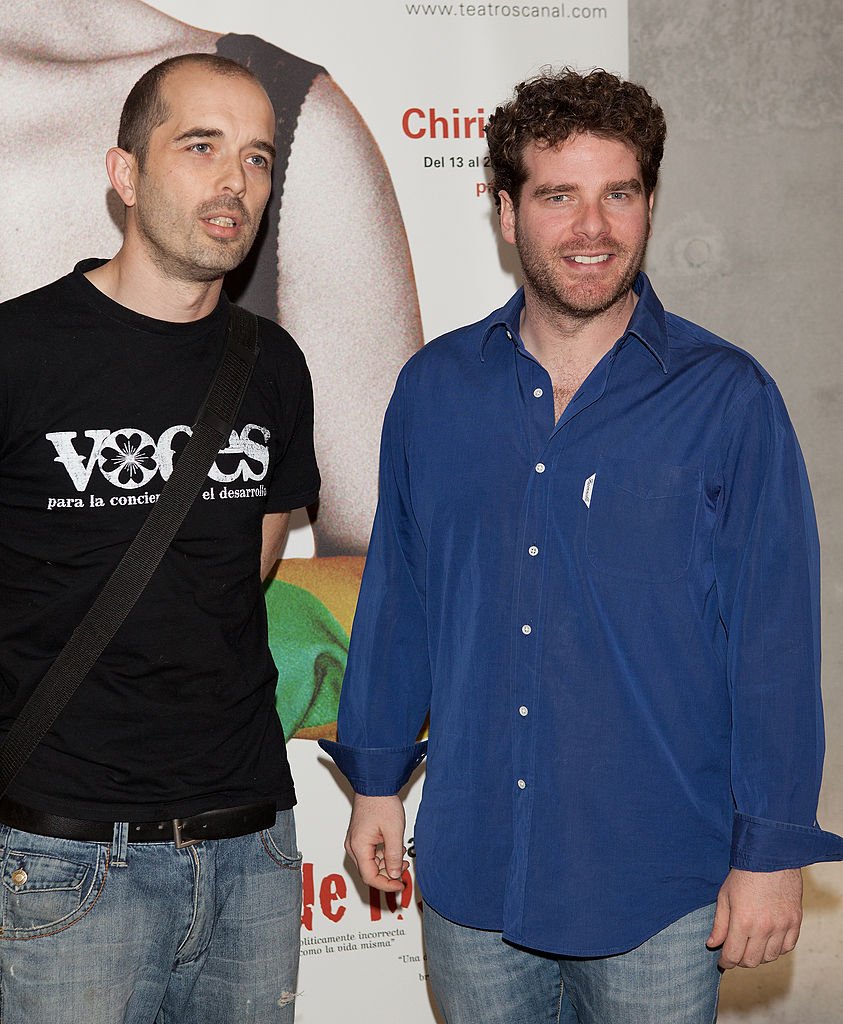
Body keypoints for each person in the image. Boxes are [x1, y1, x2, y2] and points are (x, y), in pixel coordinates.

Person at [320, 68, 843, 1023]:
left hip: (658, 883)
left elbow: (771, 645)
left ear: (647, 204)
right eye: (558, 194)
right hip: (473, 870)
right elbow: (401, 600)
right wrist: (377, 783)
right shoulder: (435, 390)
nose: (591, 226)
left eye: (619, 193)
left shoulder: (728, 399)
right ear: (507, 212)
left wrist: (769, 854)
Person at [0, 53, 320, 1023]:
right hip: (62, 855)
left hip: (250, 849)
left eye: (259, 158)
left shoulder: (272, 366)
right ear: (126, 174)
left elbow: (248, 563)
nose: (236, 181)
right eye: (202, 147)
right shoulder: (18, 354)